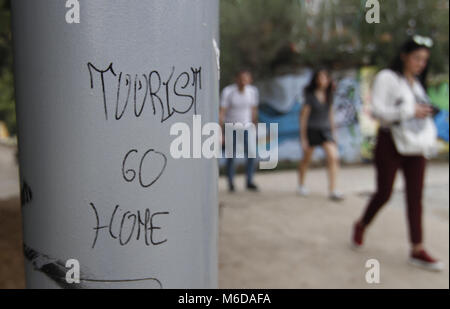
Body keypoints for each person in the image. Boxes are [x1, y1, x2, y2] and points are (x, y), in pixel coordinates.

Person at [352, 36, 444, 272]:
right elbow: (379, 112)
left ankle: (417, 248)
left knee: (415, 197)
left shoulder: (416, 84)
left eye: (424, 60)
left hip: (415, 145)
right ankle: (361, 224)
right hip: (390, 142)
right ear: (404, 55)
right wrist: (409, 110)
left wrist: (424, 111)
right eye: (417, 58)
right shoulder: (387, 78)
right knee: (384, 193)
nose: (421, 64)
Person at [297, 69, 344, 201]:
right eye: (320, 77)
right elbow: (303, 117)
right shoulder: (310, 96)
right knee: (306, 159)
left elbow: (330, 115)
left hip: (326, 130)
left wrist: (334, 134)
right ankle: (301, 184)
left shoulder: (329, 95)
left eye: (325, 77)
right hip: (312, 130)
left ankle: (333, 189)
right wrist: (303, 138)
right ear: (316, 79)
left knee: (333, 157)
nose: (323, 80)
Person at [220, 70, 259, 193]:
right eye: (241, 79)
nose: (243, 81)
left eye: (246, 79)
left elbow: (253, 110)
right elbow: (222, 111)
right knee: (231, 156)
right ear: (237, 79)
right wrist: (220, 131)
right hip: (231, 127)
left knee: (252, 154)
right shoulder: (228, 92)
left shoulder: (252, 92)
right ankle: (231, 182)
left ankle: (249, 181)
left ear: (250, 80)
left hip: (247, 127)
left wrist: (255, 126)